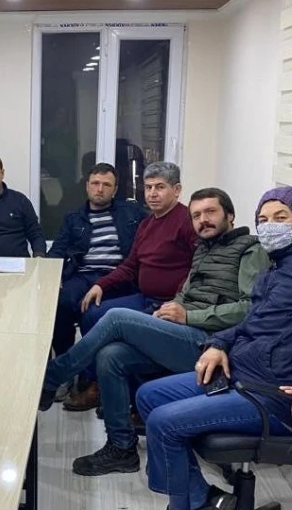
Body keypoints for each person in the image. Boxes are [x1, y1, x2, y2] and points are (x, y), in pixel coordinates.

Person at [136, 186, 292, 510]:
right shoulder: (276, 268)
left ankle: (194, 503)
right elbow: (249, 324)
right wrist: (217, 344)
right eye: (263, 219)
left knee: (163, 423)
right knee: (148, 396)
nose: (269, 226)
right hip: (241, 377)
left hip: (278, 399)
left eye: (281, 218)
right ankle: (203, 498)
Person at [39, 188, 270, 477]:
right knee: (111, 355)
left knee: (116, 317)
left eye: (210, 212)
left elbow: (250, 309)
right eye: (196, 215)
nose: (203, 220)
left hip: (213, 345)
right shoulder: (203, 248)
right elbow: (187, 293)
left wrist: (188, 315)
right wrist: (173, 307)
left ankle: (51, 377)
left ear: (230, 215)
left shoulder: (250, 250)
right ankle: (121, 447)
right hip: (183, 331)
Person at [65, 161, 197, 410]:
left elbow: (197, 268)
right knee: (91, 312)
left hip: (169, 304)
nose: (152, 194)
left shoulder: (187, 221)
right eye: (148, 187)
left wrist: (178, 300)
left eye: (160, 187)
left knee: (121, 335)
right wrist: (101, 285)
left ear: (177, 190)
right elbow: (130, 266)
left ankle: (124, 395)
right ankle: (96, 384)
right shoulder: (147, 224)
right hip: (144, 297)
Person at [47, 162, 147, 356]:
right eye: (95, 183)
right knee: (61, 303)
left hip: (117, 276)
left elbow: (156, 227)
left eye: (106, 185)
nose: (100, 189)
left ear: (115, 190)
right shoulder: (73, 218)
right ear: (87, 186)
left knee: (95, 311)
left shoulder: (131, 213)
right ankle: (64, 358)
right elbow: (58, 249)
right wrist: (53, 275)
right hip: (82, 275)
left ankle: (92, 364)